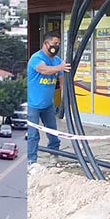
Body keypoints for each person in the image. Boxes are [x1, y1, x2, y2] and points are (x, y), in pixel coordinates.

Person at [27, 30, 72, 163]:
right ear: (46, 43)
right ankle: (31, 160)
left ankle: (54, 153)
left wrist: (65, 100)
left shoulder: (57, 61)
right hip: (32, 105)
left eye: (58, 43)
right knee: (33, 135)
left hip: (48, 105)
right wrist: (60, 67)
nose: (56, 46)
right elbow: (43, 69)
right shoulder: (37, 58)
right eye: (54, 43)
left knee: (53, 131)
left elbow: (62, 80)